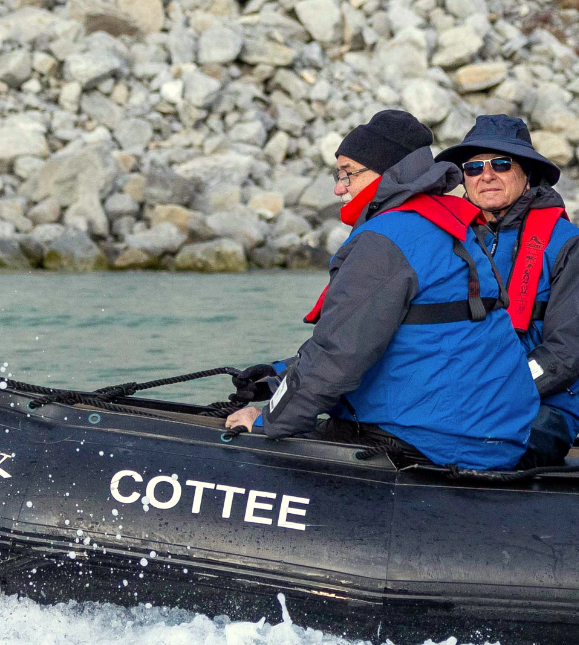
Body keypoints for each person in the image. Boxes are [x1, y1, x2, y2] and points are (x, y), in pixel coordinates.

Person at [223, 108, 539, 470]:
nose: (338, 188)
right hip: (494, 441)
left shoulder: (386, 239)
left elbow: (339, 353)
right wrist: (279, 376)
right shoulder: (453, 226)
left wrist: (267, 420)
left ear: (387, 174)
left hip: (428, 442)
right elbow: (404, 338)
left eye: (348, 174)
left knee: (289, 431)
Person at [443, 112, 579, 468]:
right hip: (460, 396)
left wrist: (490, 391)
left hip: (544, 406)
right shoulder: (449, 240)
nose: (486, 175)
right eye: (473, 168)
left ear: (527, 173)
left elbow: (566, 355)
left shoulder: (570, 246)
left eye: (501, 164)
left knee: (476, 450)